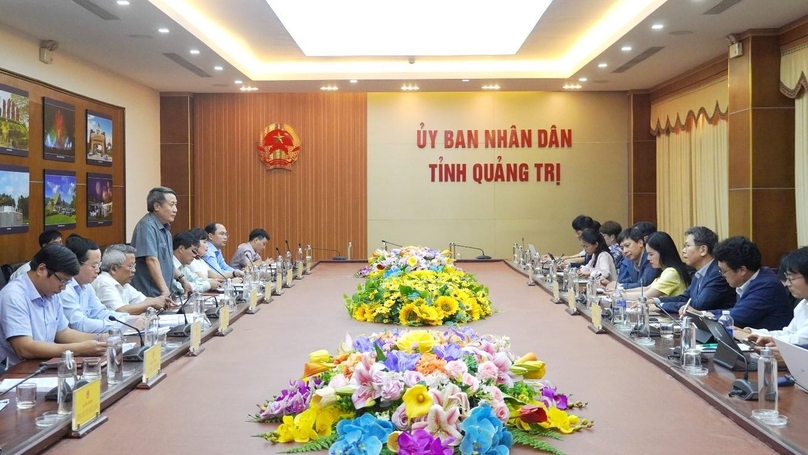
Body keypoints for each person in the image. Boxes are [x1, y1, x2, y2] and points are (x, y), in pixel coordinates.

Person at [0, 244, 107, 366]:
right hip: (16, 374)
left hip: (45, 365)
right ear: (41, 270)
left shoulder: (51, 294)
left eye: (67, 282)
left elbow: (63, 333)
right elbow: (24, 348)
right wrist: (79, 349)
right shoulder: (13, 295)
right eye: (62, 280)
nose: (64, 287)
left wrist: (99, 339)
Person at [693, 236, 792, 331]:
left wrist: (703, 316)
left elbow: (735, 318)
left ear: (742, 270)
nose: (722, 275)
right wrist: (702, 313)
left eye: (723, 271)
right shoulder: (753, 278)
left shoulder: (767, 286)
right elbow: (733, 311)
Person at [648, 226, 736, 314]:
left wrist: (660, 306)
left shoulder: (717, 273)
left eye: (687, 246)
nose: (683, 251)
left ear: (703, 250)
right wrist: (655, 301)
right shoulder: (700, 272)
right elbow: (685, 298)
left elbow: (697, 306)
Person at [60, 235, 136, 333]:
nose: (98, 270)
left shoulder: (86, 286)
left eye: (99, 265)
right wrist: (122, 324)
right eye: (94, 266)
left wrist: (130, 319)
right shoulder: (64, 288)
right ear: (76, 264)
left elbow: (100, 313)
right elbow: (79, 324)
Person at [130, 186, 192, 297]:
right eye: (171, 204)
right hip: (150, 294)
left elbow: (167, 262)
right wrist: (164, 291)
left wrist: (183, 280)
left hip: (163, 294)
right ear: (157, 206)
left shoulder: (166, 229)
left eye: (176, 205)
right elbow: (151, 260)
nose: (175, 209)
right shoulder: (147, 226)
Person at [746, 247, 808, 346]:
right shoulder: (803, 304)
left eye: (791, 277)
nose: (787, 283)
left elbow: (800, 340)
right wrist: (752, 333)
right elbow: (788, 333)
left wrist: (769, 339)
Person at [93, 244, 173, 314]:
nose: (134, 270)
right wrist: (153, 302)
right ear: (114, 268)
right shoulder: (104, 282)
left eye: (134, 266)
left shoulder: (124, 284)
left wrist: (160, 300)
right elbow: (120, 311)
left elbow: (143, 300)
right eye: (130, 266)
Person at [625, 231, 691, 302]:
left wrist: (621, 295)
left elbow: (647, 295)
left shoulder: (671, 272)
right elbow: (647, 288)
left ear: (663, 253)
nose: (648, 258)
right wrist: (622, 291)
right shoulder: (664, 271)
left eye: (651, 254)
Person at [610, 225, 660, 290]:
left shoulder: (650, 259)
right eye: (622, 248)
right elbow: (633, 280)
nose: (624, 251)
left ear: (640, 243)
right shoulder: (631, 260)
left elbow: (644, 284)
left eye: (627, 245)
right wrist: (613, 284)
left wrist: (619, 286)